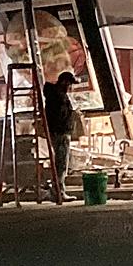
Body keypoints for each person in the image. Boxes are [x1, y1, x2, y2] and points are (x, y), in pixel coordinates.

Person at [43, 71, 79, 201]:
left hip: (59, 132)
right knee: (61, 162)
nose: (70, 87)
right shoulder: (58, 97)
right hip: (61, 133)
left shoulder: (55, 95)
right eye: (70, 84)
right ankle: (58, 191)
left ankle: (56, 190)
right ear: (64, 82)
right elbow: (59, 116)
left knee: (61, 161)